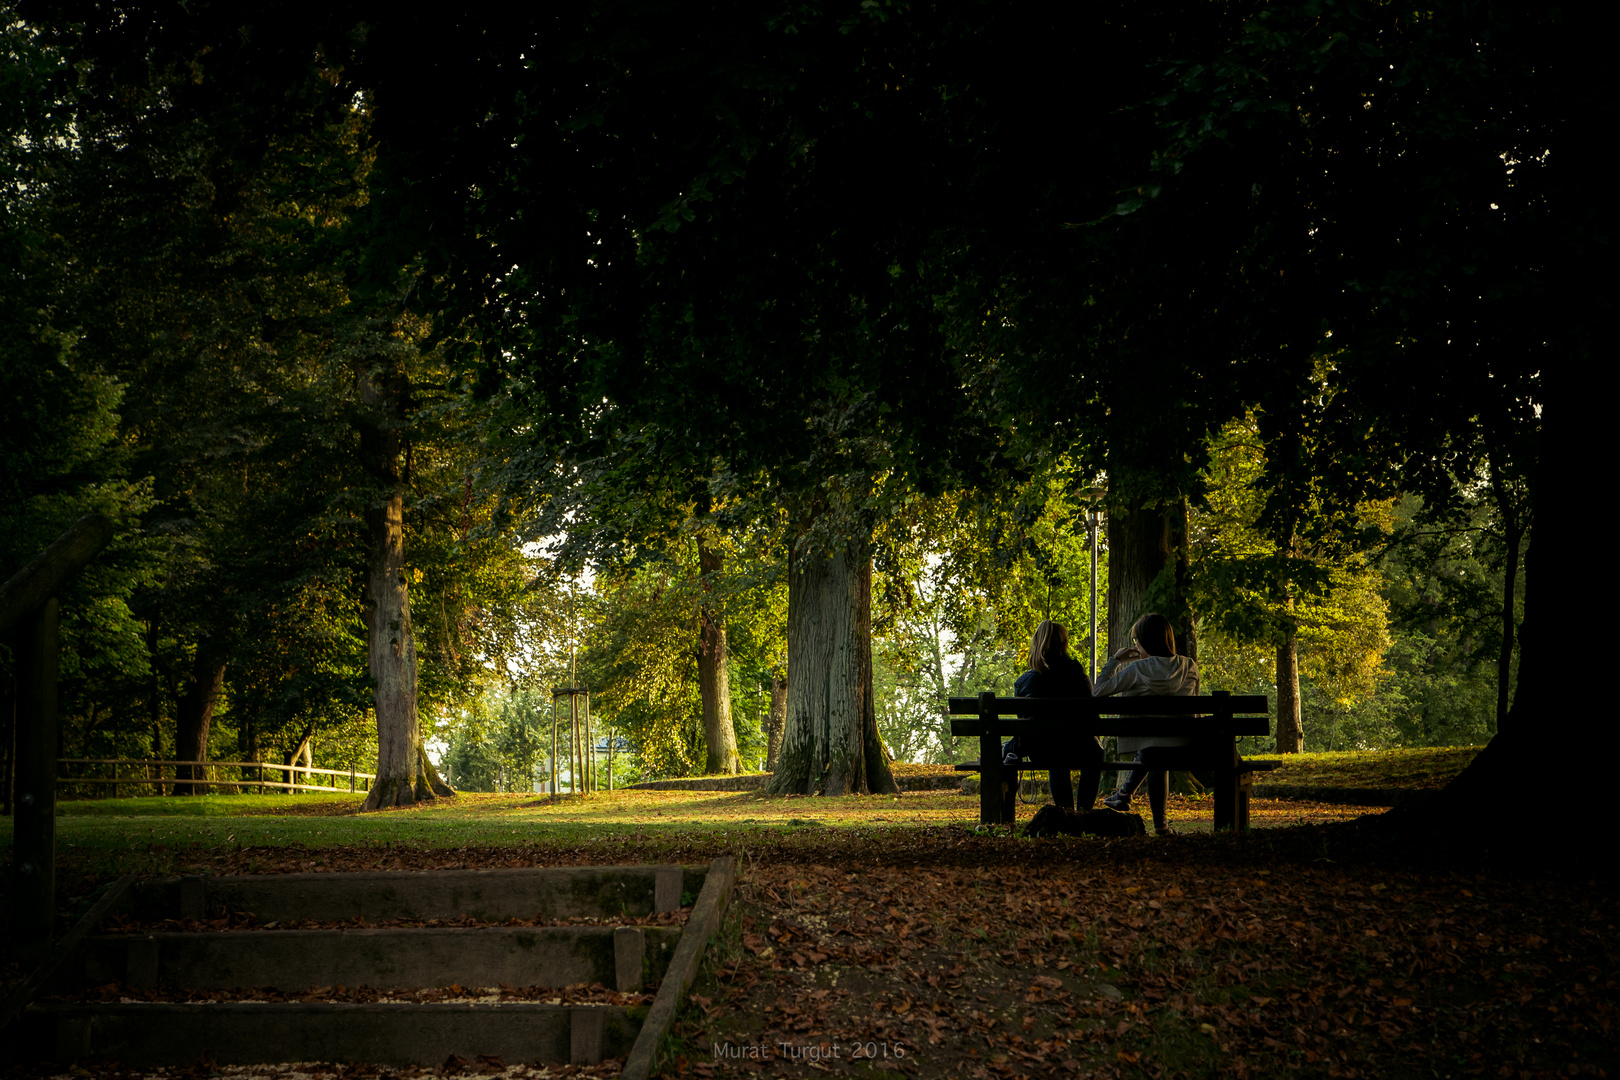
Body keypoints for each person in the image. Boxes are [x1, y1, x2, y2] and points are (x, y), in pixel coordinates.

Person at [1093, 612, 1200, 835]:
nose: (1136, 645)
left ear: (1146, 641)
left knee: (1154, 751)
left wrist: (1115, 660)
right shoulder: (1189, 666)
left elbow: (1098, 691)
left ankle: (1133, 802)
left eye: (1137, 640)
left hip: (1152, 750)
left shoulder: (1137, 670)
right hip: (1186, 746)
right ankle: (1140, 809)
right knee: (1157, 751)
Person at [1002, 619, 1102, 812]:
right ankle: (1084, 813)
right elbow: (1093, 718)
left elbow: (1022, 720)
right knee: (1093, 754)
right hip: (1081, 747)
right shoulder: (1078, 678)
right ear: (1064, 644)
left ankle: (1065, 813)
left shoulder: (1025, 681)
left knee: (1056, 755)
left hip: (1042, 749)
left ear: (1036, 644)